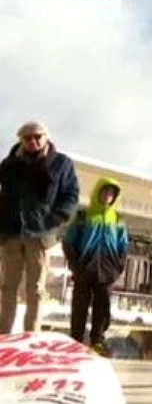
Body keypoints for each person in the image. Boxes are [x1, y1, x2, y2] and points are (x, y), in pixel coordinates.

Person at [0, 121, 79, 334]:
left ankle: (31, 335)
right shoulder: (8, 165)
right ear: (21, 141)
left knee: (35, 289)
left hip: (40, 234)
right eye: (27, 138)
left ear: (46, 137)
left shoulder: (61, 164)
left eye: (38, 137)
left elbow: (71, 194)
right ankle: (3, 336)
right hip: (11, 234)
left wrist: (56, 217)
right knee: (7, 287)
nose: (33, 141)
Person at [62, 177, 129, 355]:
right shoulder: (83, 216)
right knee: (79, 306)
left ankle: (97, 341)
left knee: (103, 306)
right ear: (98, 192)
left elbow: (123, 247)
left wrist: (117, 268)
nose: (108, 195)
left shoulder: (118, 220)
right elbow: (68, 242)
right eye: (105, 191)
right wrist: (75, 265)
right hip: (84, 269)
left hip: (107, 272)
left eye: (112, 193)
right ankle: (76, 339)